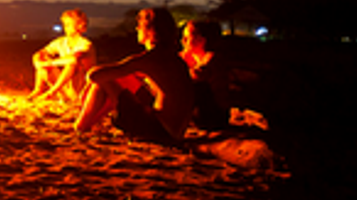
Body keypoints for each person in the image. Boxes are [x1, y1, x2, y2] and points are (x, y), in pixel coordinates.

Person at [74, 7, 195, 145]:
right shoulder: (173, 58)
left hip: (161, 130)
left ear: (150, 30)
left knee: (104, 81)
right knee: (122, 79)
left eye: (139, 25)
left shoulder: (150, 58)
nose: (136, 29)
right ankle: (91, 122)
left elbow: (93, 75)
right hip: (175, 131)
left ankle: (81, 125)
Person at [28, 9, 97, 102]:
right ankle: (38, 90)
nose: (65, 28)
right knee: (43, 59)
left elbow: (74, 59)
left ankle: (51, 93)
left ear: (80, 26)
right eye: (65, 24)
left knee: (72, 65)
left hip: (81, 89)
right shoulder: (61, 42)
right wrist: (38, 61)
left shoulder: (86, 44)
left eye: (68, 25)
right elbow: (40, 53)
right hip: (66, 88)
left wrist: (50, 63)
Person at [181, 19, 232, 130]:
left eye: (187, 37)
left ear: (202, 40)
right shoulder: (189, 56)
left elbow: (196, 76)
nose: (183, 41)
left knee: (198, 87)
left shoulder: (213, 58)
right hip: (200, 112)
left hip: (215, 114)